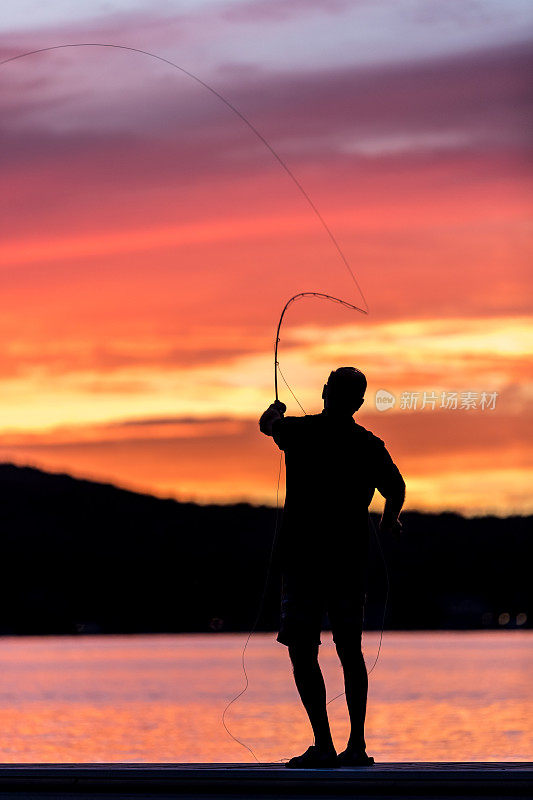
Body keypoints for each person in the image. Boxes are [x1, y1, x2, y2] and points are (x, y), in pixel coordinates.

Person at [259, 367, 405, 768]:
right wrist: (388, 519)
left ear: (325, 392)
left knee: (303, 652)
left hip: (302, 563)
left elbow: (266, 424)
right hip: (347, 564)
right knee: (350, 652)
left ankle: (323, 745)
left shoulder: (299, 432)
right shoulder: (368, 445)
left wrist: (275, 410)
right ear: (358, 403)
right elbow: (397, 488)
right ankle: (355, 746)